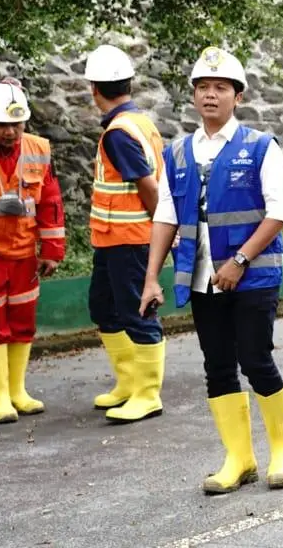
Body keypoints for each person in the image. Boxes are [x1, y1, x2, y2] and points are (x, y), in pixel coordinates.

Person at [139, 46, 283, 494]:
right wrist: (152, 277)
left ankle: (282, 449)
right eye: (203, 88)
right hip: (199, 276)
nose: (211, 95)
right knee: (218, 366)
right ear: (193, 96)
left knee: (256, 358)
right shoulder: (177, 153)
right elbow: (166, 216)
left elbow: (279, 211)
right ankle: (239, 458)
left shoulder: (261, 147)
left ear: (237, 97)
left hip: (252, 275)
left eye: (221, 88)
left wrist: (239, 261)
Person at [84, 45, 166, 423]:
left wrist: (164, 229)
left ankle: (147, 394)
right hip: (113, 239)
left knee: (137, 312)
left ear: (93, 88)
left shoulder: (119, 133)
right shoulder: (139, 122)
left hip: (132, 238)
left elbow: (147, 186)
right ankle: (128, 382)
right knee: (103, 307)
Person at [0, 78, 64, 423]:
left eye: (17, 124)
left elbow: (50, 202)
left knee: (22, 323)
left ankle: (17, 391)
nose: (11, 132)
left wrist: (51, 249)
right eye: (3, 125)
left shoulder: (37, 148)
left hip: (23, 255)